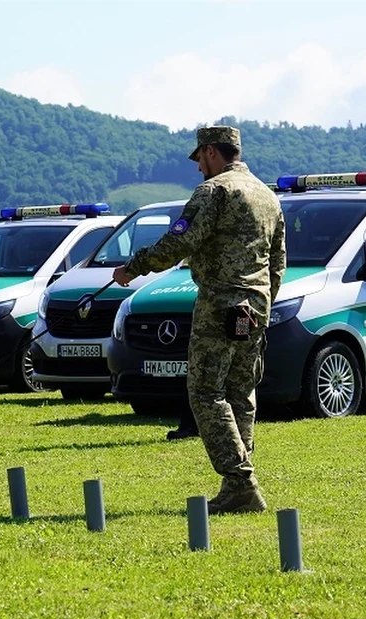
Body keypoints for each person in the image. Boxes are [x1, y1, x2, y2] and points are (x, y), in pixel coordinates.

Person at [112, 126, 285, 514]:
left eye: (199, 159)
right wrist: (264, 302)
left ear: (210, 152)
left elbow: (179, 242)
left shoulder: (215, 191)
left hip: (221, 303)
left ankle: (240, 480)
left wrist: (133, 267)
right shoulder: (267, 195)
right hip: (255, 306)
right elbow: (278, 261)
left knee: (205, 392)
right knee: (240, 393)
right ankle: (237, 482)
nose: (198, 169)